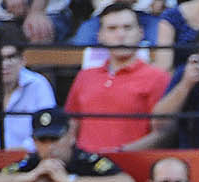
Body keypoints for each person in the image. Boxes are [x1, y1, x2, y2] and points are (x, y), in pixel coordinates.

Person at [64, 3, 171, 152]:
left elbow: (162, 134)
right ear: (100, 36)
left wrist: (121, 152)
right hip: (84, 166)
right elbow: (71, 126)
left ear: (140, 33)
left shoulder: (158, 77)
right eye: (112, 29)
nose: (120, 35)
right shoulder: (85, 76)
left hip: (133, 165)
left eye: (127, 27)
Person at [0, 106, 139, 182]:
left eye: (55, 139)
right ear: (34, 141)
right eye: (43, 140)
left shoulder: (86, 160)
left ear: (71, 136)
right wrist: (27, 177)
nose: (50, 147)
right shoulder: (32, 162)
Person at [0, 26, 55, 151]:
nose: (5, 64)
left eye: (11, 57)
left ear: (23, 60)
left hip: (28, 161)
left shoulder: (38, 85)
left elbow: (47, 131)